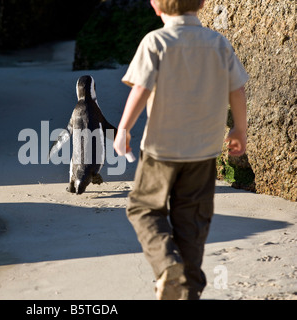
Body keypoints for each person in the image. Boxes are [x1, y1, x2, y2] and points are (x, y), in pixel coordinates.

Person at [113, 0, 249, 300]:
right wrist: (239, 129)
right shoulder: (218, 43)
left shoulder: (156, 41)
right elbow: (236, 89)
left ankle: (166, 265)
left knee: (143, 208)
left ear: (155, 6)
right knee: (193, 219)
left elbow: (141, 89)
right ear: (201, 4)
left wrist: (124, 129)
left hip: (161, 149)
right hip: (204, 151)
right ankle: (189, 290)